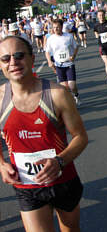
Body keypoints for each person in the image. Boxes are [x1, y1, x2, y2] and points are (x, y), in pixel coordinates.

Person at [0, 36, 88, 232]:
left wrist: (59, 161)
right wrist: (1, 164)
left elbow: (81, 137)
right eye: (6, 59)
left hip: (63, 180)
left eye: (19, 56)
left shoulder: (58, 94)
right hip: (27, 186)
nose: (13, 62)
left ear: (32, 59)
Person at [45, 19, 81, 106]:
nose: (55, 29)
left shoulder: (69, 36)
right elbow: (47, 51)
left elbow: (76, 47)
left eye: (57, 27)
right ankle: (70, 101)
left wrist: (74, 56)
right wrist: (49, 61)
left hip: (69, 64)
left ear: (61, 27)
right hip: (58, 65)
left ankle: (76, 95)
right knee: (64, 87)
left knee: (72, 85)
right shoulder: (50, 39)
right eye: (54, 27)